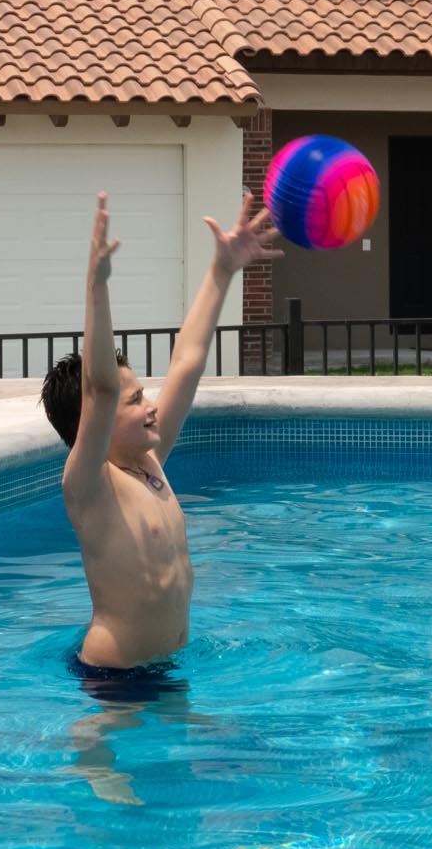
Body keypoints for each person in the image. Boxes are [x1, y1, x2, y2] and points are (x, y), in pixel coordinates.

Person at [41, 193, 280, 674]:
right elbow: (102, 389)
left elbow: (188, 362)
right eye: (135, 401)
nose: (150, 407)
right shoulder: (90, 486)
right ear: (96, 422)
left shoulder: (149, 463)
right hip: (114, 677)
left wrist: (222, 271)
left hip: (167, 667)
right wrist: (96, 287)